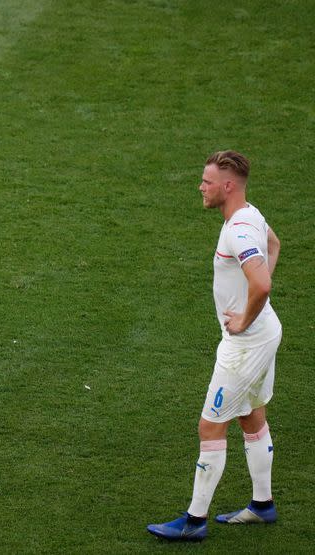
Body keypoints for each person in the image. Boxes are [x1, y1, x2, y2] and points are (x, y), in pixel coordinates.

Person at [148, 150, 282, 541]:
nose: (201, 187)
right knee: (251, 416)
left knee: (210, 426)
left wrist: (244, 316)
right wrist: (255, 306)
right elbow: (274, 245)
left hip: (245, 345)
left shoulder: (238, 230)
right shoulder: (252, 216)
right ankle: (262, 506)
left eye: (207, 182)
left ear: (227, 186)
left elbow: (262, 284)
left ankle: (194, 521)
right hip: (264, 334)